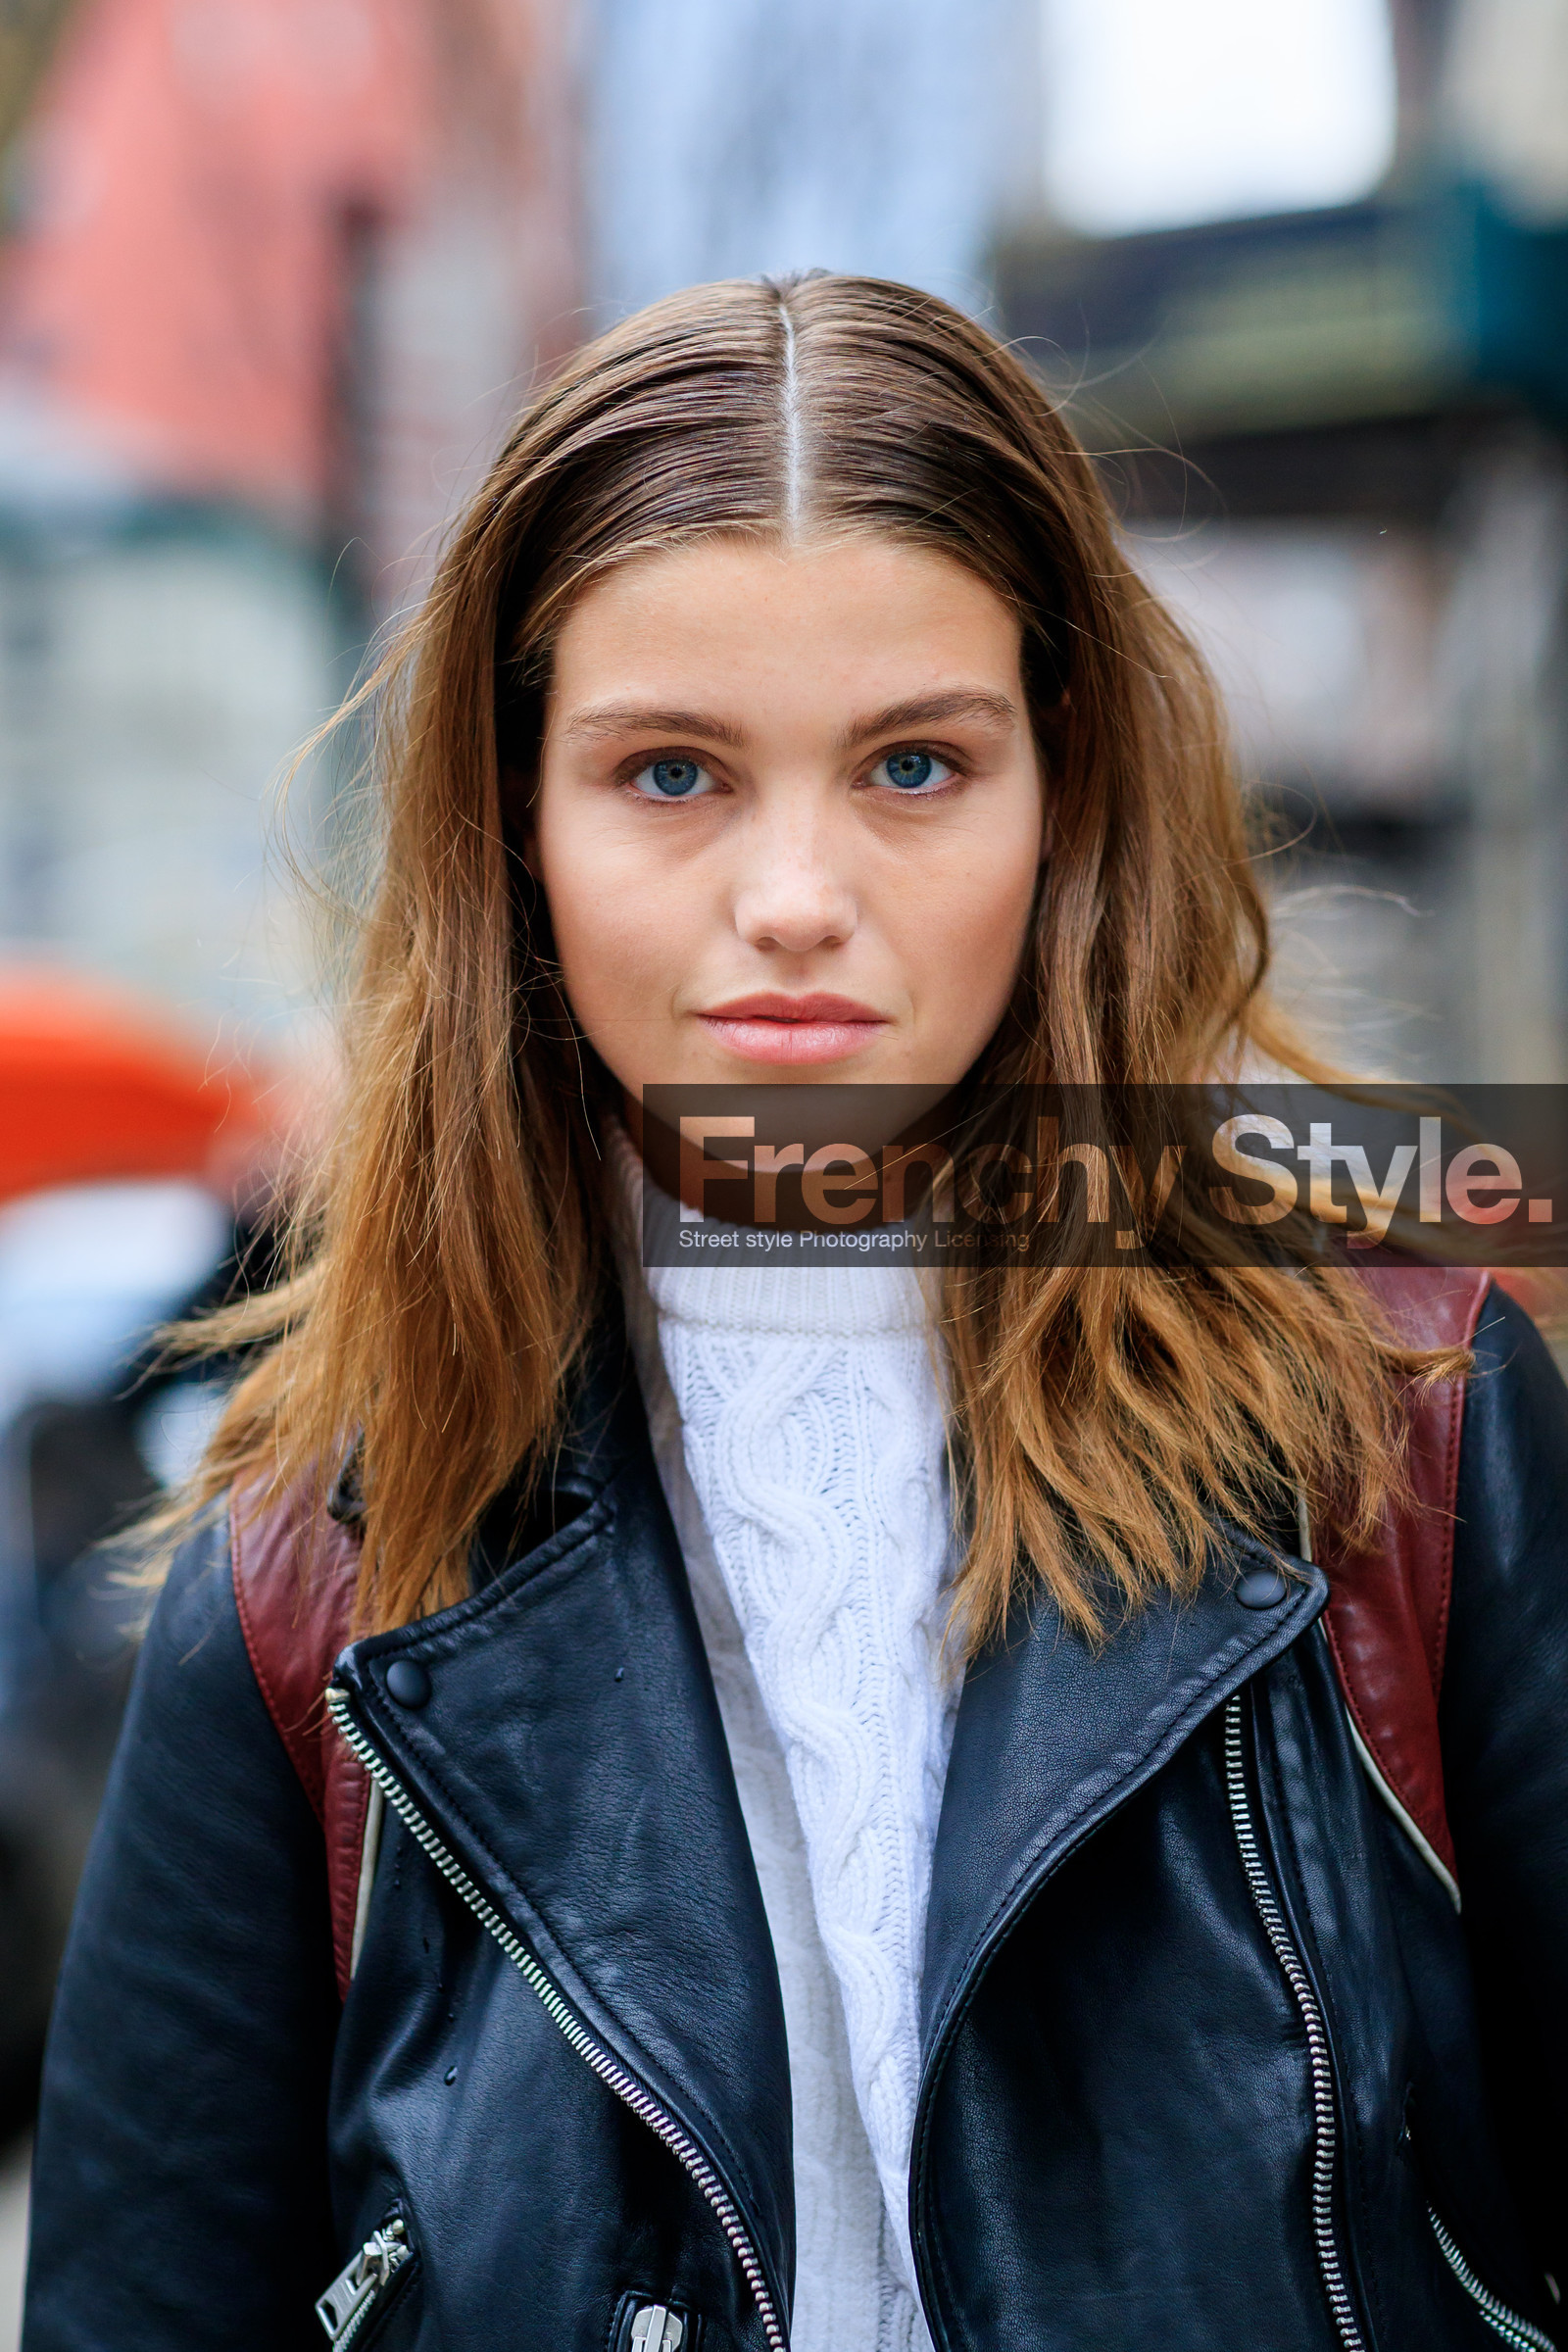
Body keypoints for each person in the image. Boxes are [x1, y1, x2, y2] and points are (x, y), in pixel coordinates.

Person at [22, 274, 1567, 2352]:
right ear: (516, 833)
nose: (793, 895)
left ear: (1065, 793)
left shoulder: (1409, 1425)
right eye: (668, 775)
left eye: (913, 765)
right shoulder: (312, 1578)